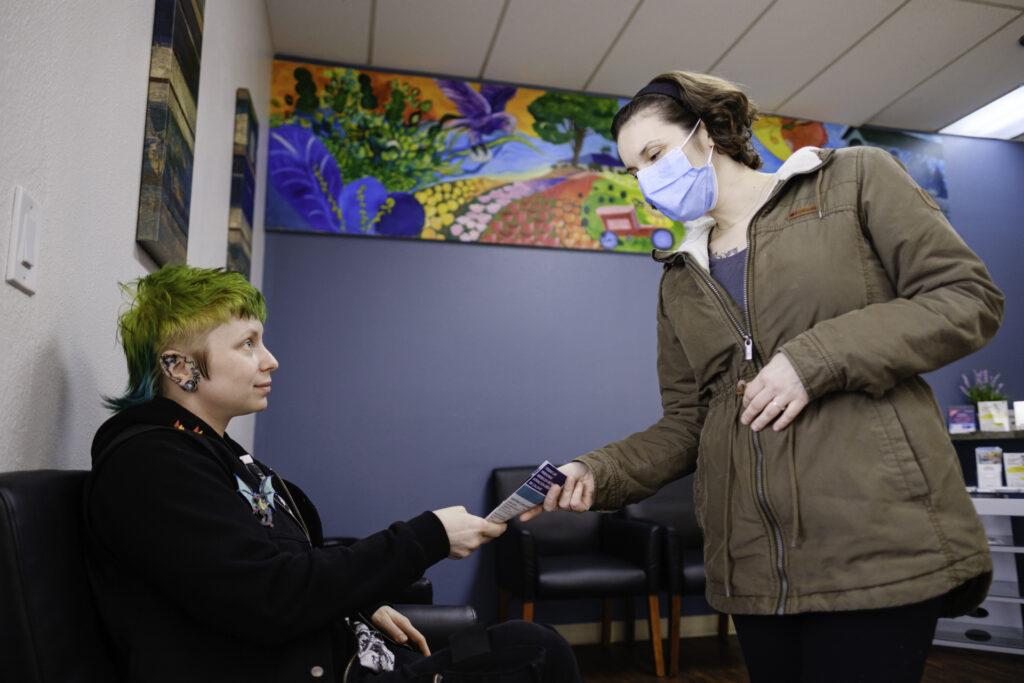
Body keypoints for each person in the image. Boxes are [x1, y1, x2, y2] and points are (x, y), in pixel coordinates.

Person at [521, 71, 1005, 682]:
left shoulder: (853, 178)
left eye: (654, 154)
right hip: (753, 568)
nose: (646, 179)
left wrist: (815, 359)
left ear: (708, 133)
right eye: (633, 170)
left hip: (873, 544)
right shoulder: (679, 279)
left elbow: (966, 298)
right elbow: (690, 423)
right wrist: (598, 471)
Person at [83, 264, 582, 683]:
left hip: (348, 649)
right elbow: (268, 596)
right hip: (326, 669)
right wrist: (426, 537)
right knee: (536, 652)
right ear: (179, 367)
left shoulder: (211, 452)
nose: (271, 360)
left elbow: (273, 566)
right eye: (247, 345)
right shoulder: (152, 466)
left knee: (517, 640)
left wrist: (357, 604)